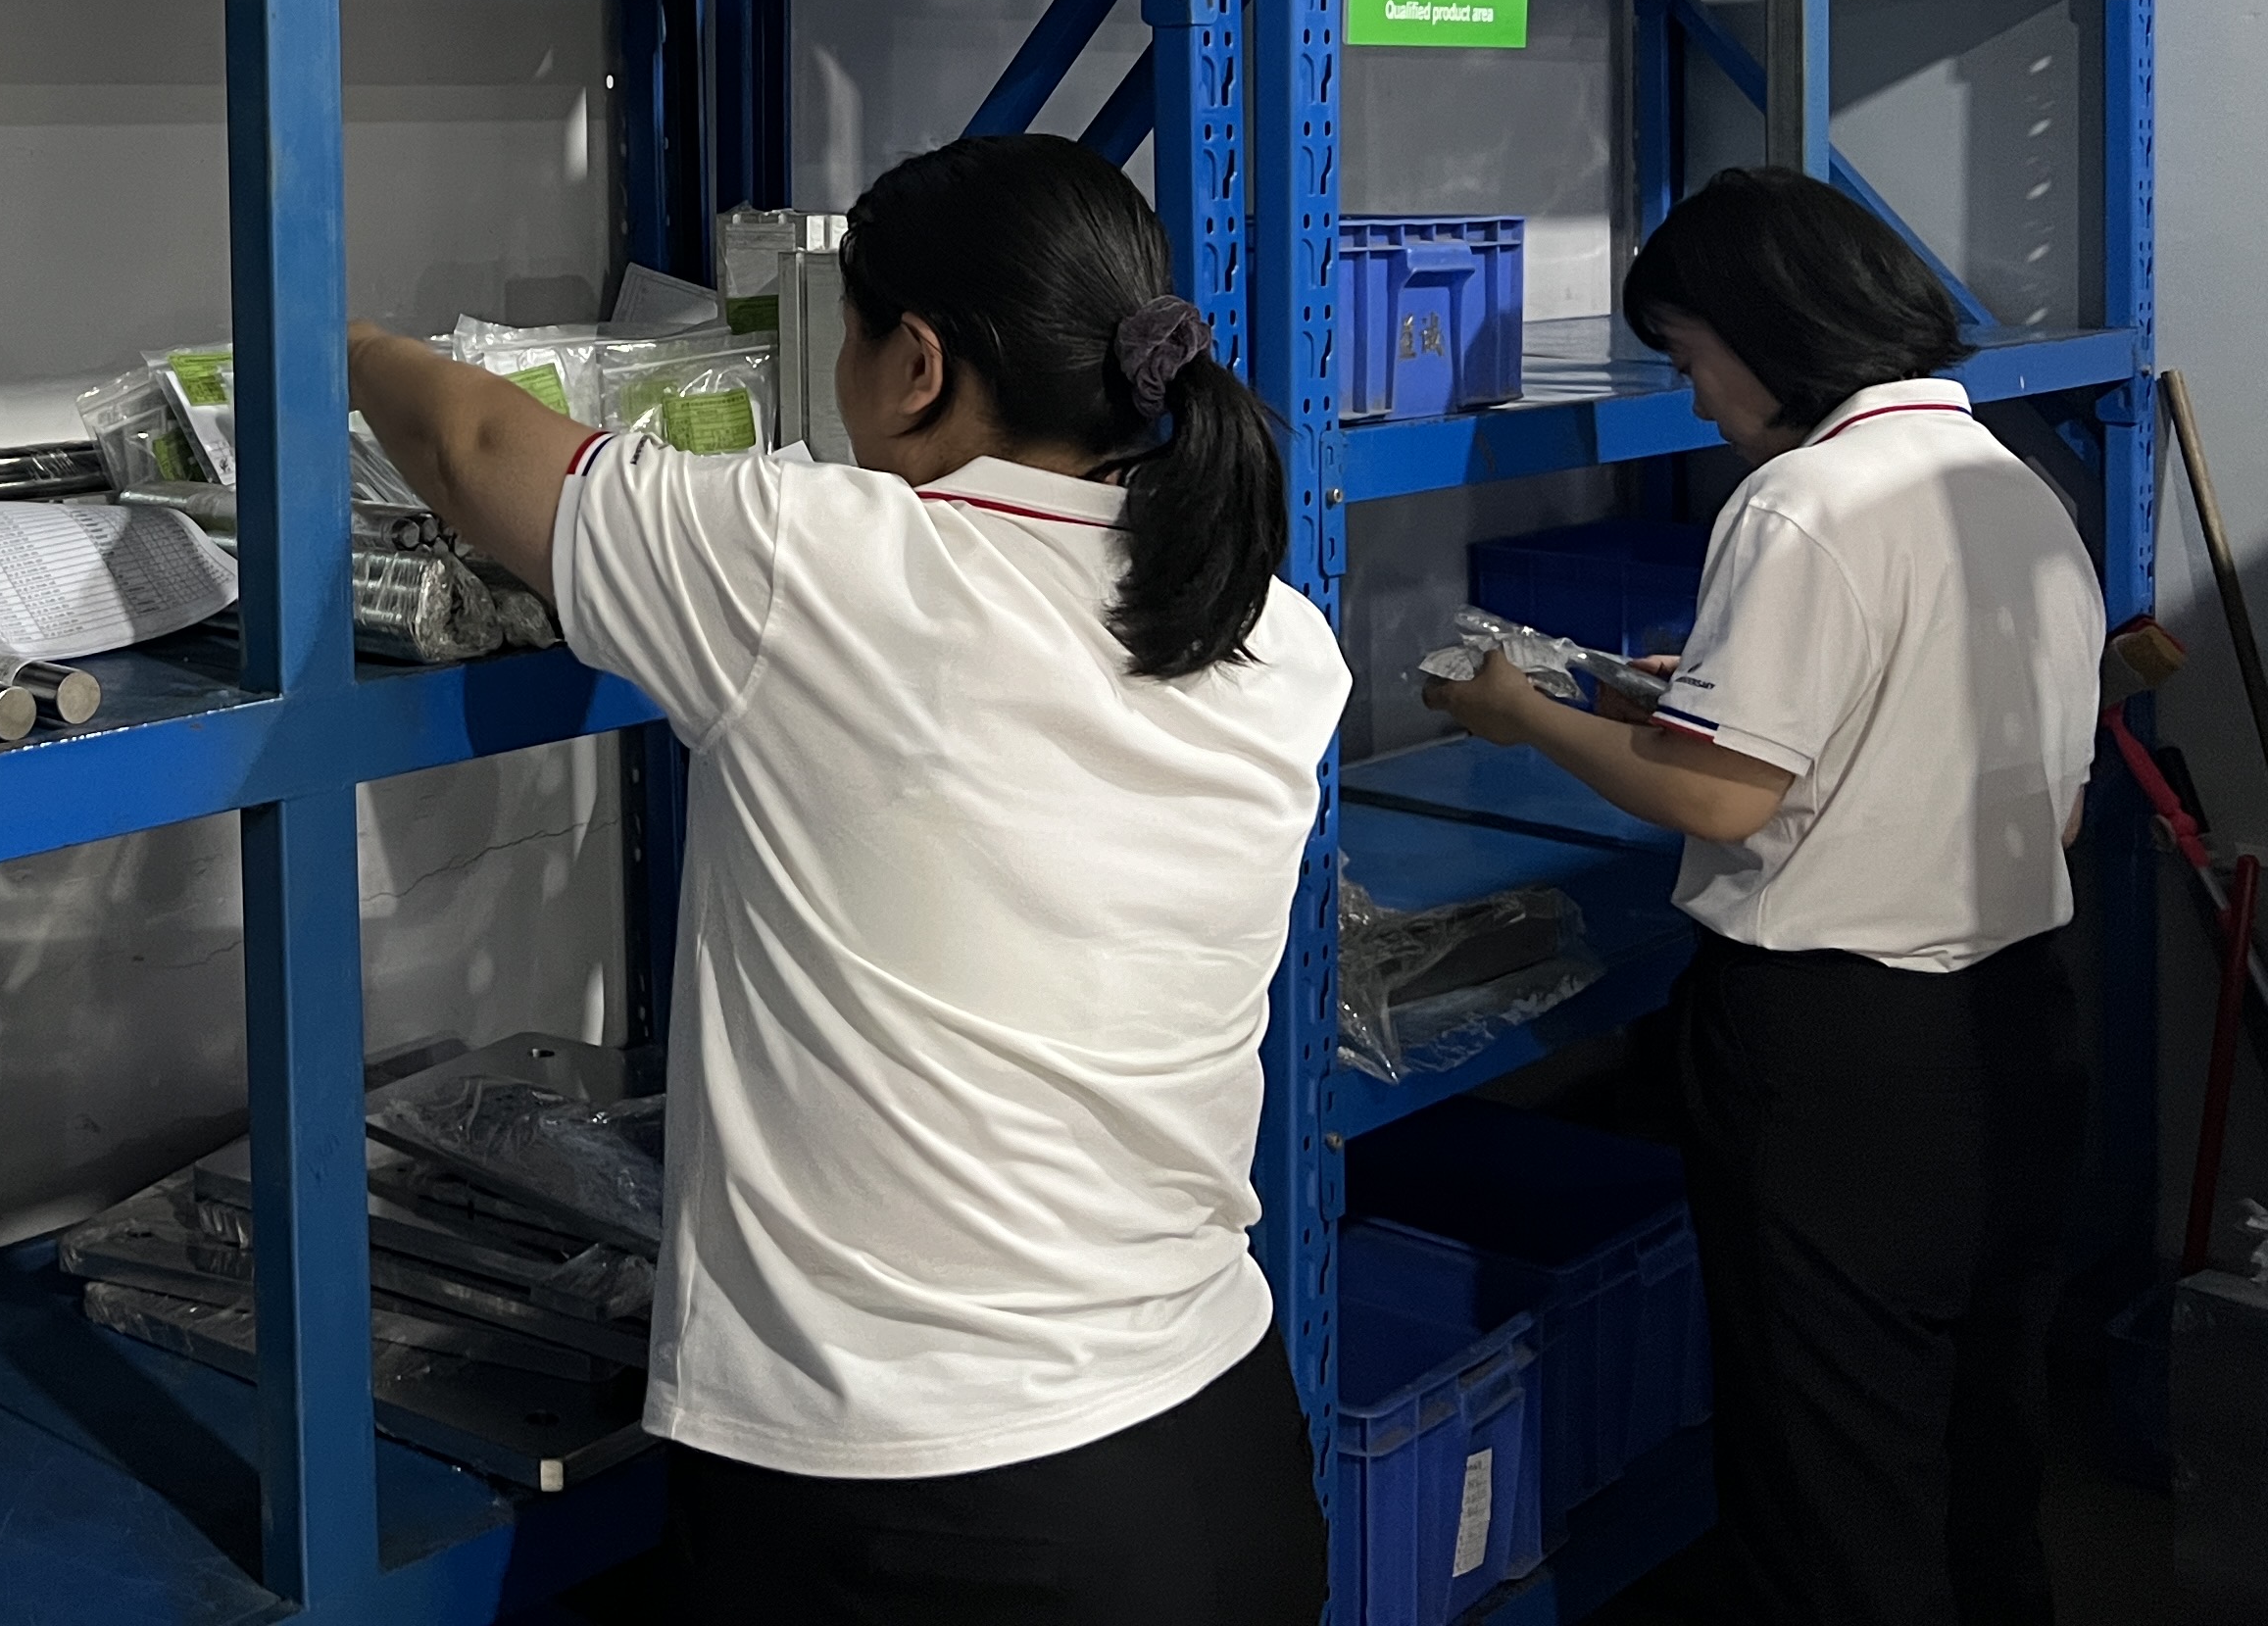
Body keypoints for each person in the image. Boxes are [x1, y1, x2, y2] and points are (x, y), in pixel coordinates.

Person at [350, 133, 1345, 1625]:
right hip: (1219, 1446)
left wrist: (334, 344)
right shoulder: (1273, 631)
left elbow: (474, 448)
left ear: (917, 367)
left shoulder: (824, 571)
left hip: (927, 1506)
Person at [1424, 165, 2102, 1626]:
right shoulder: (2014, 485)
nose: (1695, 397)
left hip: (1844, 1059)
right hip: (2016, 1022)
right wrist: (1718, 694)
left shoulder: (1801, 503)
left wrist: (1521, 713)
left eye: (1690, 357)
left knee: (1833, 1469)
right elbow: (2043, 792)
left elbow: (1722, 800)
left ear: (1770, 329)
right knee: (1977, 1438)